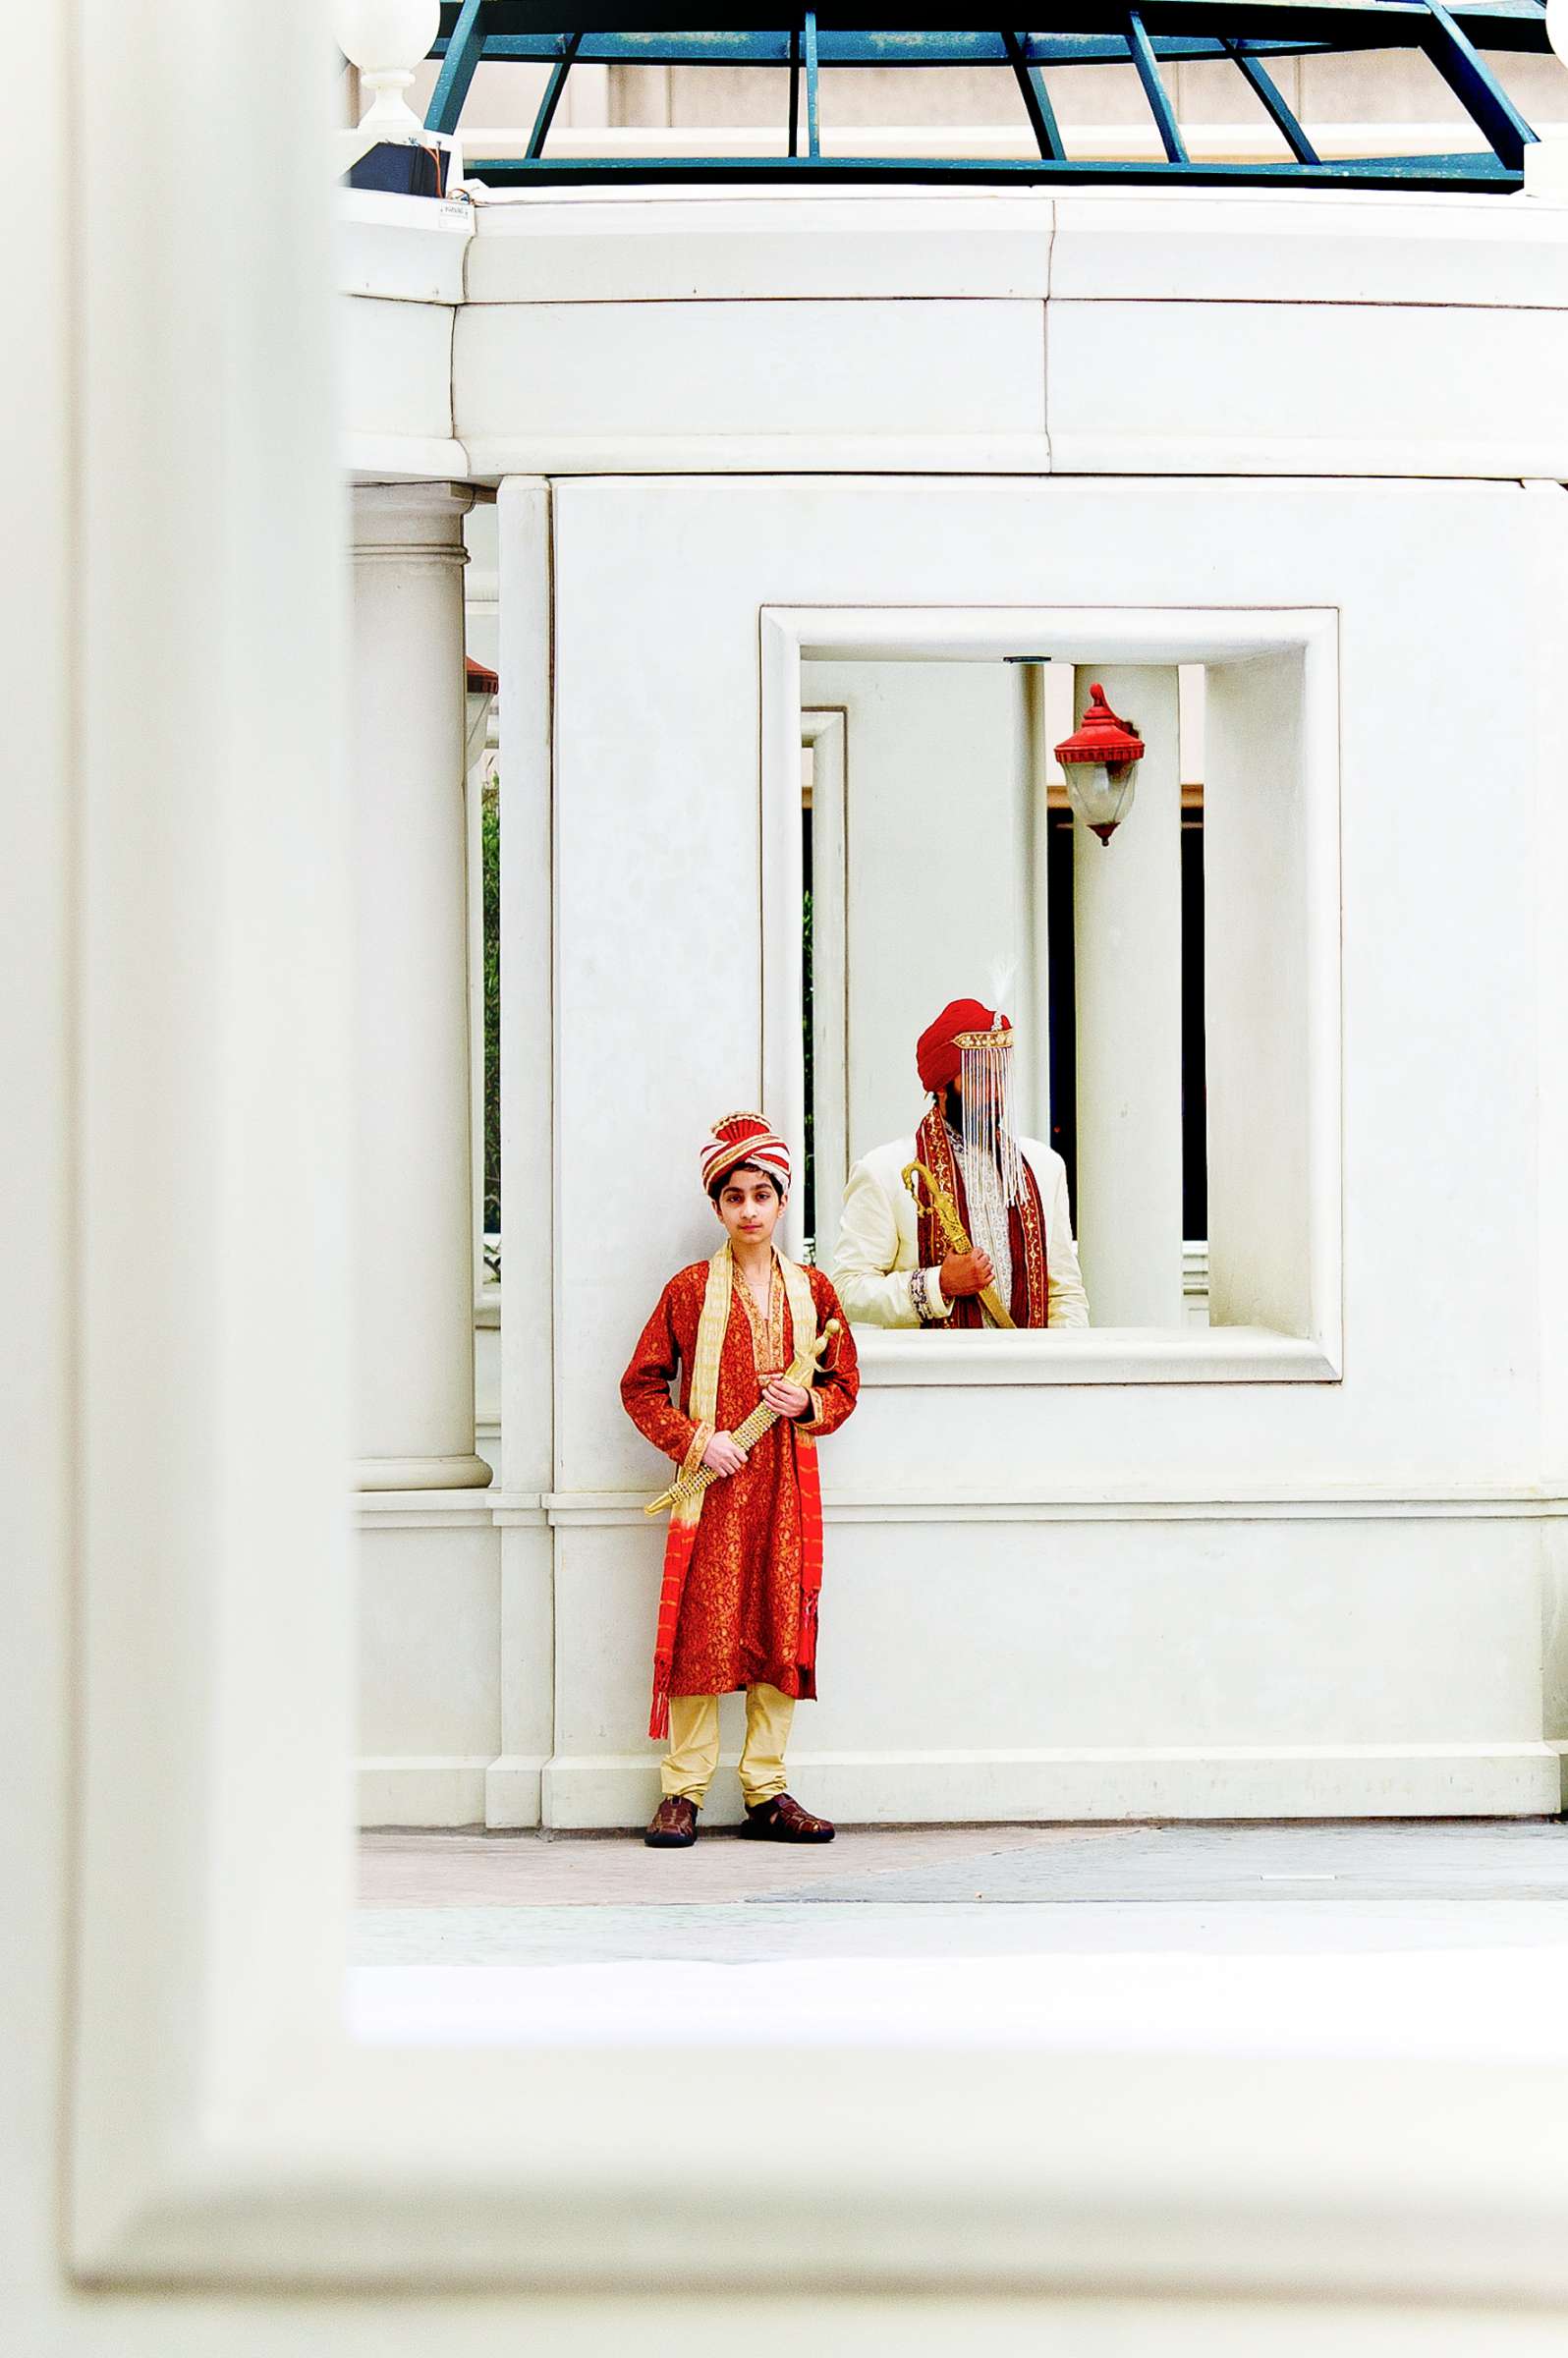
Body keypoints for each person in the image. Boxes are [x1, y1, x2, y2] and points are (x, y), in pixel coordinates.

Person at [621, 1112, 860, 1849]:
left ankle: (767, 1789)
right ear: (717, 1208)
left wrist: (809, 1401)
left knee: (775, 1629)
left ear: (784, 1202)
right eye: (736, 1197)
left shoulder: (814, 1290)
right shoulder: (690, 1291)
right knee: (703, 1633)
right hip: (714, 1493)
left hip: (786, 1487)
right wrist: (700, 1440)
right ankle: (682, 1791)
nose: (751, 1209)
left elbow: (845, 1381)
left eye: (763, 1194)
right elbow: (641, 1387)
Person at [831, 997, 1090, 1330]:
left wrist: (1061, 1368)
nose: (995, 1091)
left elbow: (1065, 1294)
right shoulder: (884, 1172)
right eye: (980, 1077)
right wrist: (938, 1285)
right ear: (942, 1086)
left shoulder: (1044, 1167)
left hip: (1030, 1376)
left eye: (1000, 1077)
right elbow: (847, 1289)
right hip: (936, 1378)